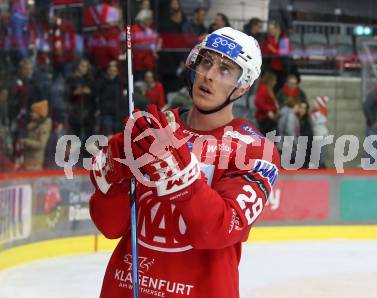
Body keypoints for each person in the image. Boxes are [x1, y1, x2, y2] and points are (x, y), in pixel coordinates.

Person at [89, 27, 280, 298]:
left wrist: (182, 175)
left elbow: (218, 231)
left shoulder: (254, 149)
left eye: (225, 70)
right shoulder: (156, 127)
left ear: (244, 86)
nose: (210, 75)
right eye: (207, 62)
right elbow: (110, 226)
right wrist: (114, 172)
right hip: (126, 288)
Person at [20, 99, 52, 171]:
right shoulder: (33, 125)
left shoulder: (43, 127)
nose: (31, 114)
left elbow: (41, 144)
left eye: (33, 112)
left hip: (35, 164)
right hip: (28, 162)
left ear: (39, 114)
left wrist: (26, 141)